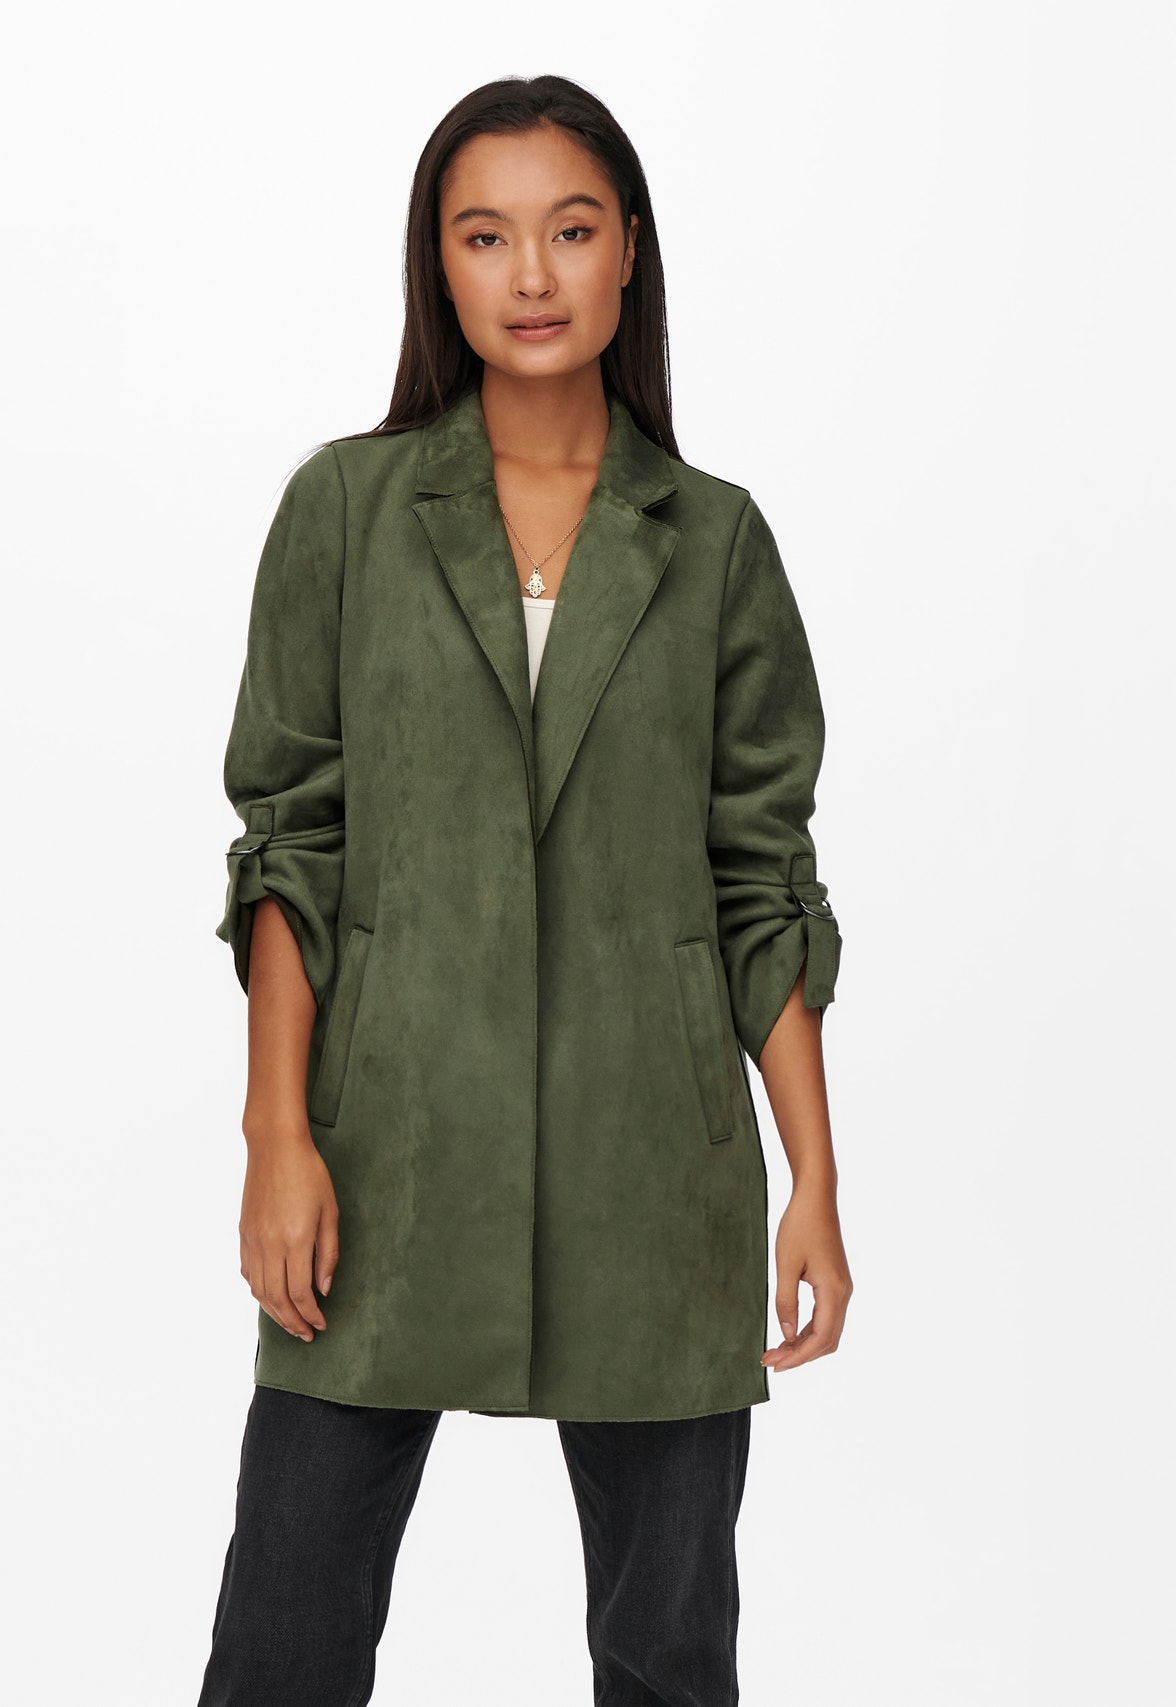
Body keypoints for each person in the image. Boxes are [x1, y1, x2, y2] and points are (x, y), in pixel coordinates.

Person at [197, 72, 853, 1707]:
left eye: (569, 229)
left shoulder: (715, 543)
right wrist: (277, 1135)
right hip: (386, 1156)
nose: (533, 275)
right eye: (485, 237)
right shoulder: (344, 511)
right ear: (439, 264)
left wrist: (814, 1182)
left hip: (657, 1174)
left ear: (630, 247)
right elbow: (291, 844)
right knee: (281, 1647)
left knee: (668, 1662)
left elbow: (763, 880)